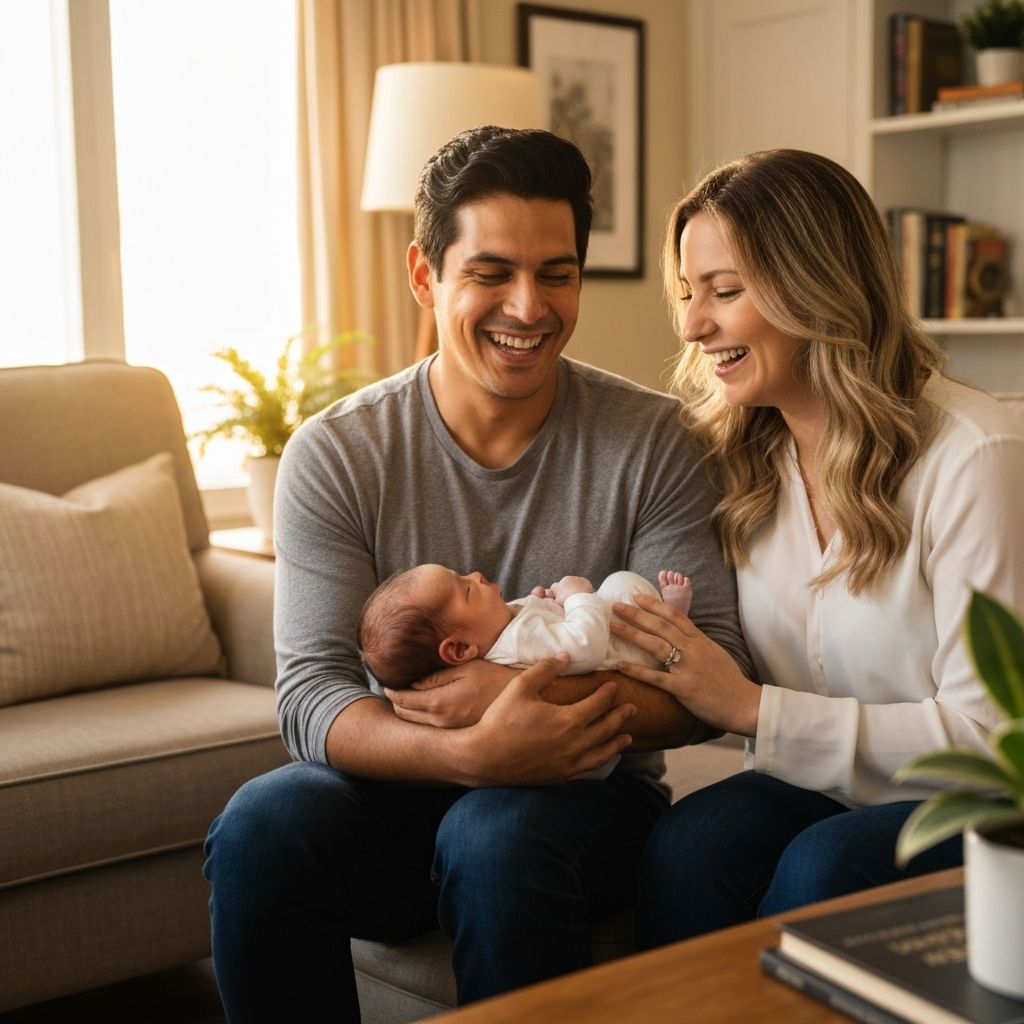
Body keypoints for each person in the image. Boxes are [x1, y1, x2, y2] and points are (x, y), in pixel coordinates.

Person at [202, 125, 751, 1021]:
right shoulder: (338, 453)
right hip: (394, 804)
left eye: (557, 273)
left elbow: (710, 670)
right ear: (427, 276)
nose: (529, 307)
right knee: (263, 825)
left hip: (588, 806)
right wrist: (465, 753)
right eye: (492, 273)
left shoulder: (655, 441)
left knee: (495, 833)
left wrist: (516, 699)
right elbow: (309, 696)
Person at [605, 148, 1024, 949]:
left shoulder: (975, 456)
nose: (694, 326)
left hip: (977, 803)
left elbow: (992, 742)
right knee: (687, 847)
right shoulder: (736, 460)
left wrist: (753, 709)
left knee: (823, 868)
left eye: (726, 292)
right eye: (689, 295)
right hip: (820, 785)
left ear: (819, 285)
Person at [357, 565, 693, 687]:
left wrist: (545, 602)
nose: (474, 574)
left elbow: (540, 625)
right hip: (621, 655)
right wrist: (578, 597)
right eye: (466, 589)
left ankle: (668, 620)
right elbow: (584, 649)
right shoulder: (516, 643)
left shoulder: (497, 632)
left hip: (603, 642)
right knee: (620, 586)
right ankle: (670, 623)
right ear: (460, 649)